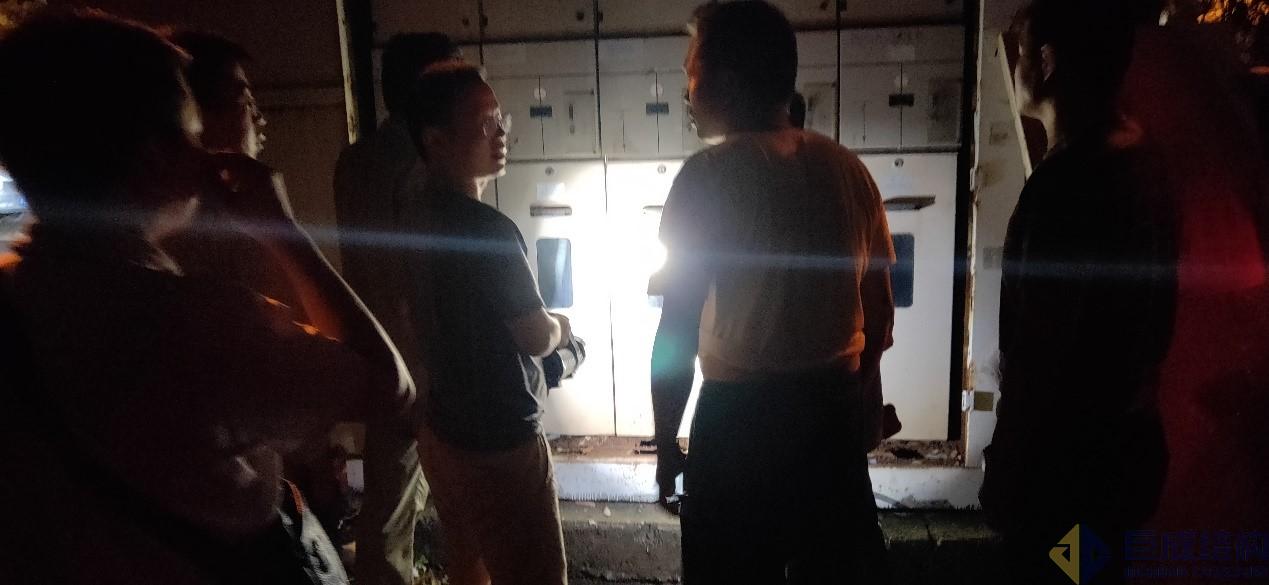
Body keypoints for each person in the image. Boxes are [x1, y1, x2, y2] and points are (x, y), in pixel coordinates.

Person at [0, 9, 413, 584]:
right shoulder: (191, 323)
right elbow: (389, 386)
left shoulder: (18, 290)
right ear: (154, 159)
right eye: (194, 135)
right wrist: (284, 231)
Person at [650, 2, 897, 583]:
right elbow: (880, 315)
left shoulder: (706, 177)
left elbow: (677, 331)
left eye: (692, 72)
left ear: (728, 80)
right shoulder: (849, 170)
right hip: (831, 421)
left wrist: (665, 445)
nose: (687, 90)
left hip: (739, 427)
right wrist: (847, 403)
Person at [979, 1, 1178, 582]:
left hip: (1065, 474)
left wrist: (1008, 467)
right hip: (1123, 453)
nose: (1016, 68)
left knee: (1053, 573)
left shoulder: (1066, 187)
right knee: (1093, 572)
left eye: (1021, 54)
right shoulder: (1142, 161)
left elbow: (1044, 353)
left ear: (1047, 62)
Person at [403, 61, 571, 585]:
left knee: (468, 561)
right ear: (435, 139)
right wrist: (562, 329)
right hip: (501, 439)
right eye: (483, 123)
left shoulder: (415, 215)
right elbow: (534, 335)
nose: (500, 134)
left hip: (442, 429)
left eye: (501, 119)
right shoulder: (488, 230)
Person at [333, 33, 459, 585]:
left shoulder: (356, 159)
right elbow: (417, 275)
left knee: (393, 485)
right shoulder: (418, 165)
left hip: (377, 345)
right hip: (418, 355)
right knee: (403, 491)